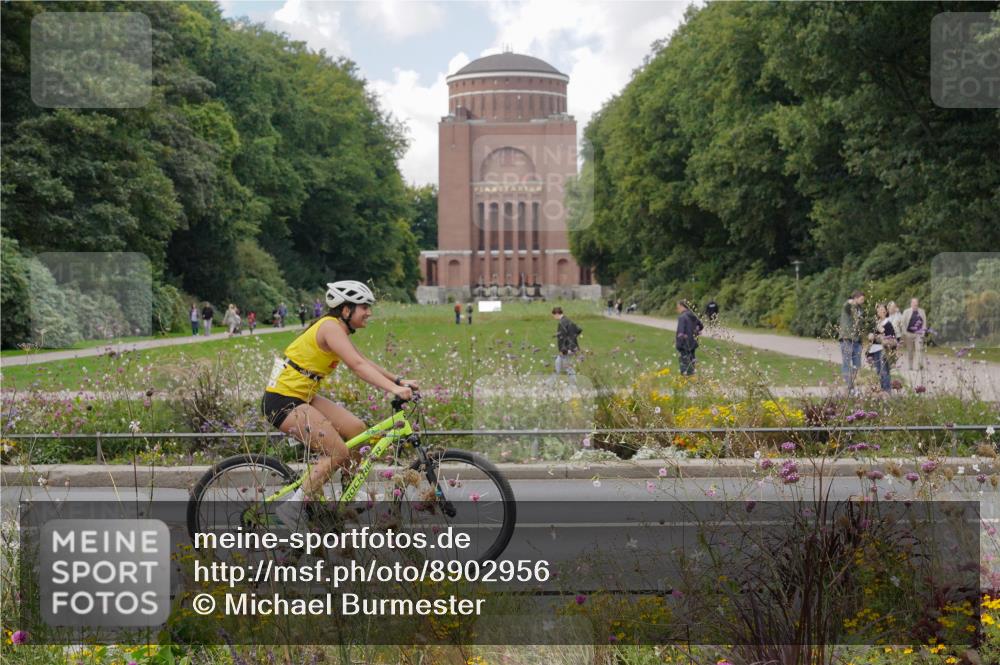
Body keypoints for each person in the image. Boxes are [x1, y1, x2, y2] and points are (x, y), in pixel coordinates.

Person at [262, 280, 418, 530]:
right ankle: (292, 508)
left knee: (357, 429)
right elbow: (357, 366)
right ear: (346, 309)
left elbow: (361, 360)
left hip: (303, 396)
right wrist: (394, 390)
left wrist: (398, 380)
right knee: (337, 452)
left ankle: (347, 494)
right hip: (283, 400)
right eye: (364, 307)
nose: (369, 312)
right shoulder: (330, 327)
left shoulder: (336, 329)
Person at [838, 290, 866, 395]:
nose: (863, 301)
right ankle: (849, 387)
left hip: (857, 340)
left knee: (857, 365)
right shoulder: (848, 306)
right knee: (846, 363)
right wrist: (850, 302)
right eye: (861, 299)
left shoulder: (860, 309)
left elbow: (860, 323)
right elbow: (846, 306)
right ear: (855, 298)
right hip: (847, 339)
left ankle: (855, 386)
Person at [867, 303, 897, 394]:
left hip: (883, 350)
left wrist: (882, 333)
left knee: (884, 371)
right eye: (878, 310)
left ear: (885, 312)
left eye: (882, 310)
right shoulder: (877, 323)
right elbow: (872, 336)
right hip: (875, 350)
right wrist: (871, 336)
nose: (880, 311)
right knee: (879, 372)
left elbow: (892, 337)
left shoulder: (888, 323)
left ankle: (887, 392)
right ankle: (882, 391)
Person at [675, 300, 703, 376]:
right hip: (693, 343)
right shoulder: (693, 315)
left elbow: (681, 332)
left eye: (678, 307)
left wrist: (678, 346)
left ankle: (686, 378)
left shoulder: (682, 317)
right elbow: (701, 326)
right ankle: (692, 377)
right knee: (692, 362)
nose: (677, 309)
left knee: (684, 365)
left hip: (684, 344)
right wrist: (696, 331)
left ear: (682, 306)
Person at [900, 297, 928, 371]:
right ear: (911, 304)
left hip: (918, 334)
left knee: (919, 349)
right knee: (910, 351)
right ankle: (910, 366)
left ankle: (919, 366)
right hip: (909, 334)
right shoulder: (906, 312)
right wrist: (905, 333)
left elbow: (924, 323)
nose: (915, 304)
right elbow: (902, 323)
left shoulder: (922, 311)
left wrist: (923, 333)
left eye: (916, 303)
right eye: (914, 303)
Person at [552, 307, 582, 375]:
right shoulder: (568, 320)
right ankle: (553, 379)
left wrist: (563, 350)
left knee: (567, 367)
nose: (553, 317)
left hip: (567, 349)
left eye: (553, 315)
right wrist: (573, 337)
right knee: (558, 363)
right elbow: (579, 330)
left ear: (556, 314)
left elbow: (562, 338)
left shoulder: (562, 323)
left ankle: (573, 381)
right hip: (572, 347)